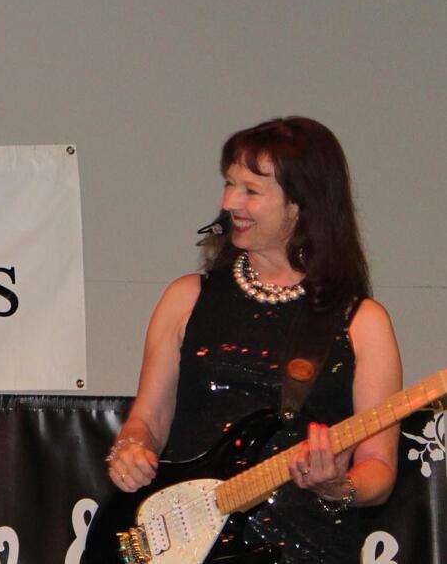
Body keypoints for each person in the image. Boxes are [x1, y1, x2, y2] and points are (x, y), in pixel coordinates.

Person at [103, 117, 402, 562]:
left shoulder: (362, 322)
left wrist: (338, 486)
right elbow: (148, 419)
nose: (229, 202)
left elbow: (379, 469)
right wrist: (131, 448)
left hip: (305, 547)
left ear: (302, 205)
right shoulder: (185, 299)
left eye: (250, 191)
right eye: (228, 185)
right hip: (192, 545)